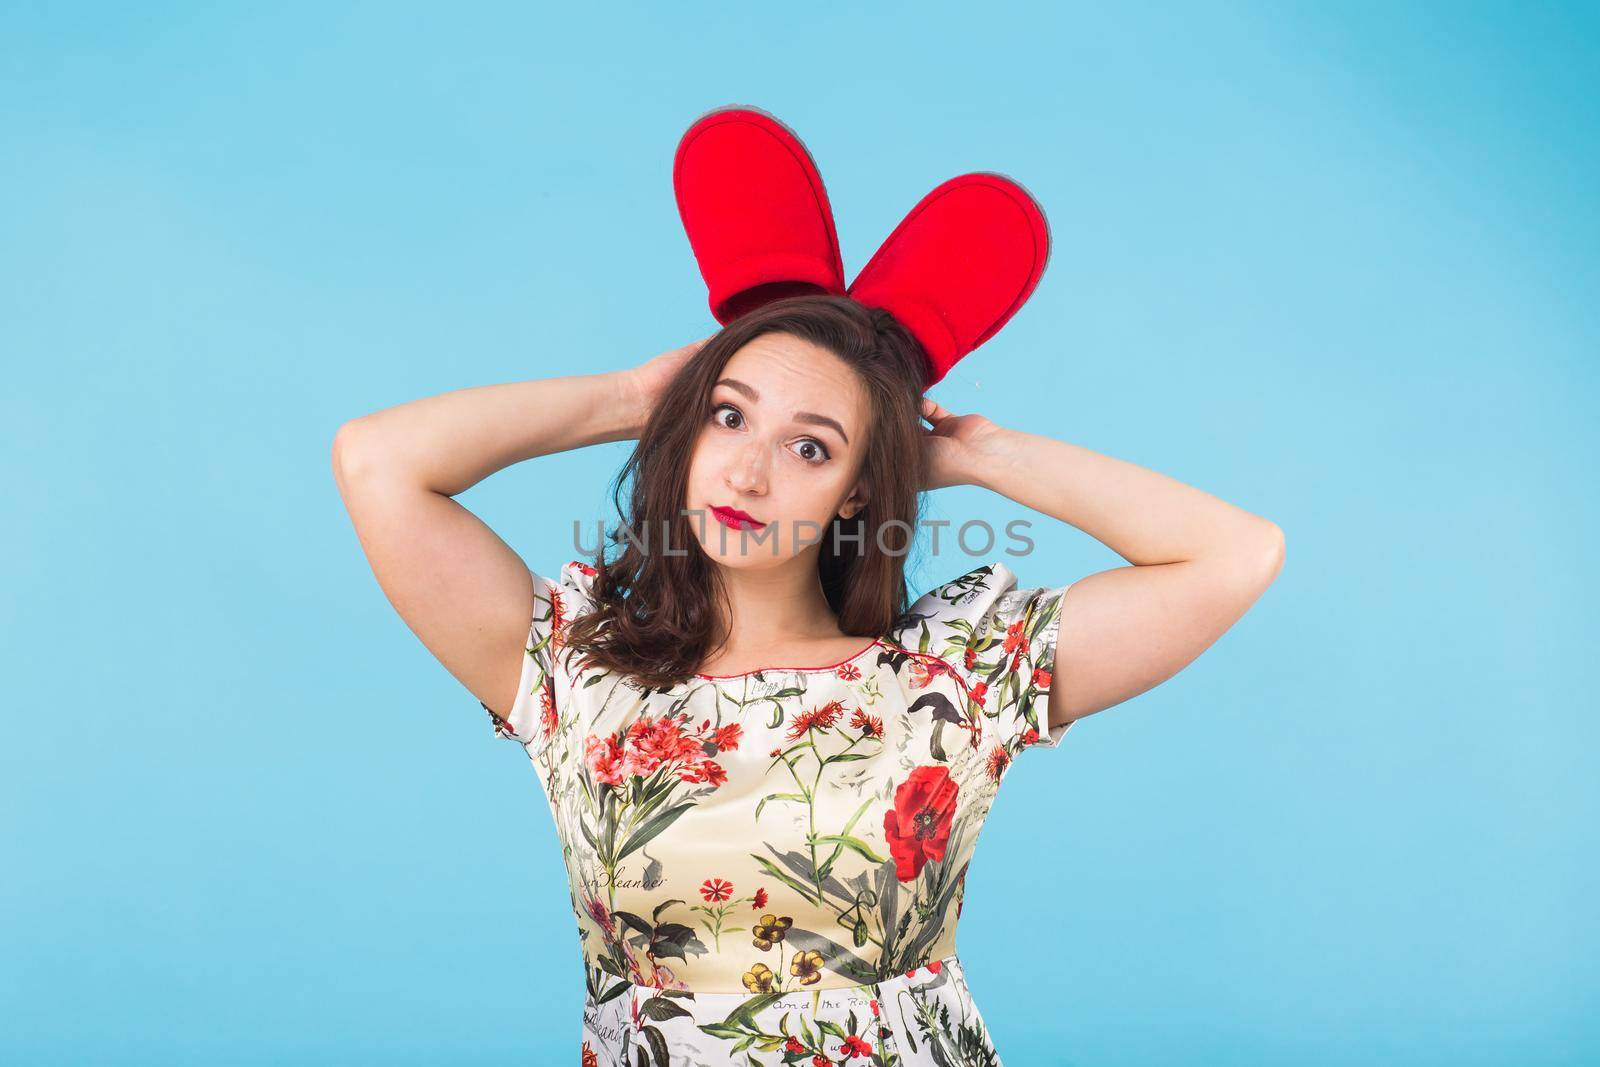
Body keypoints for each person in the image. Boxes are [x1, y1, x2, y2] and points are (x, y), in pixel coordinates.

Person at [332, 294, 1284, 1064]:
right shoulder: (572, 664)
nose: (747, 471)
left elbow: (1234, 553)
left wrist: (982, 456)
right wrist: (635, 394)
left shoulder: (953, 673)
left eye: (811, 447)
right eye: (727, 415)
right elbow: (377, 461)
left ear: (858, 489)